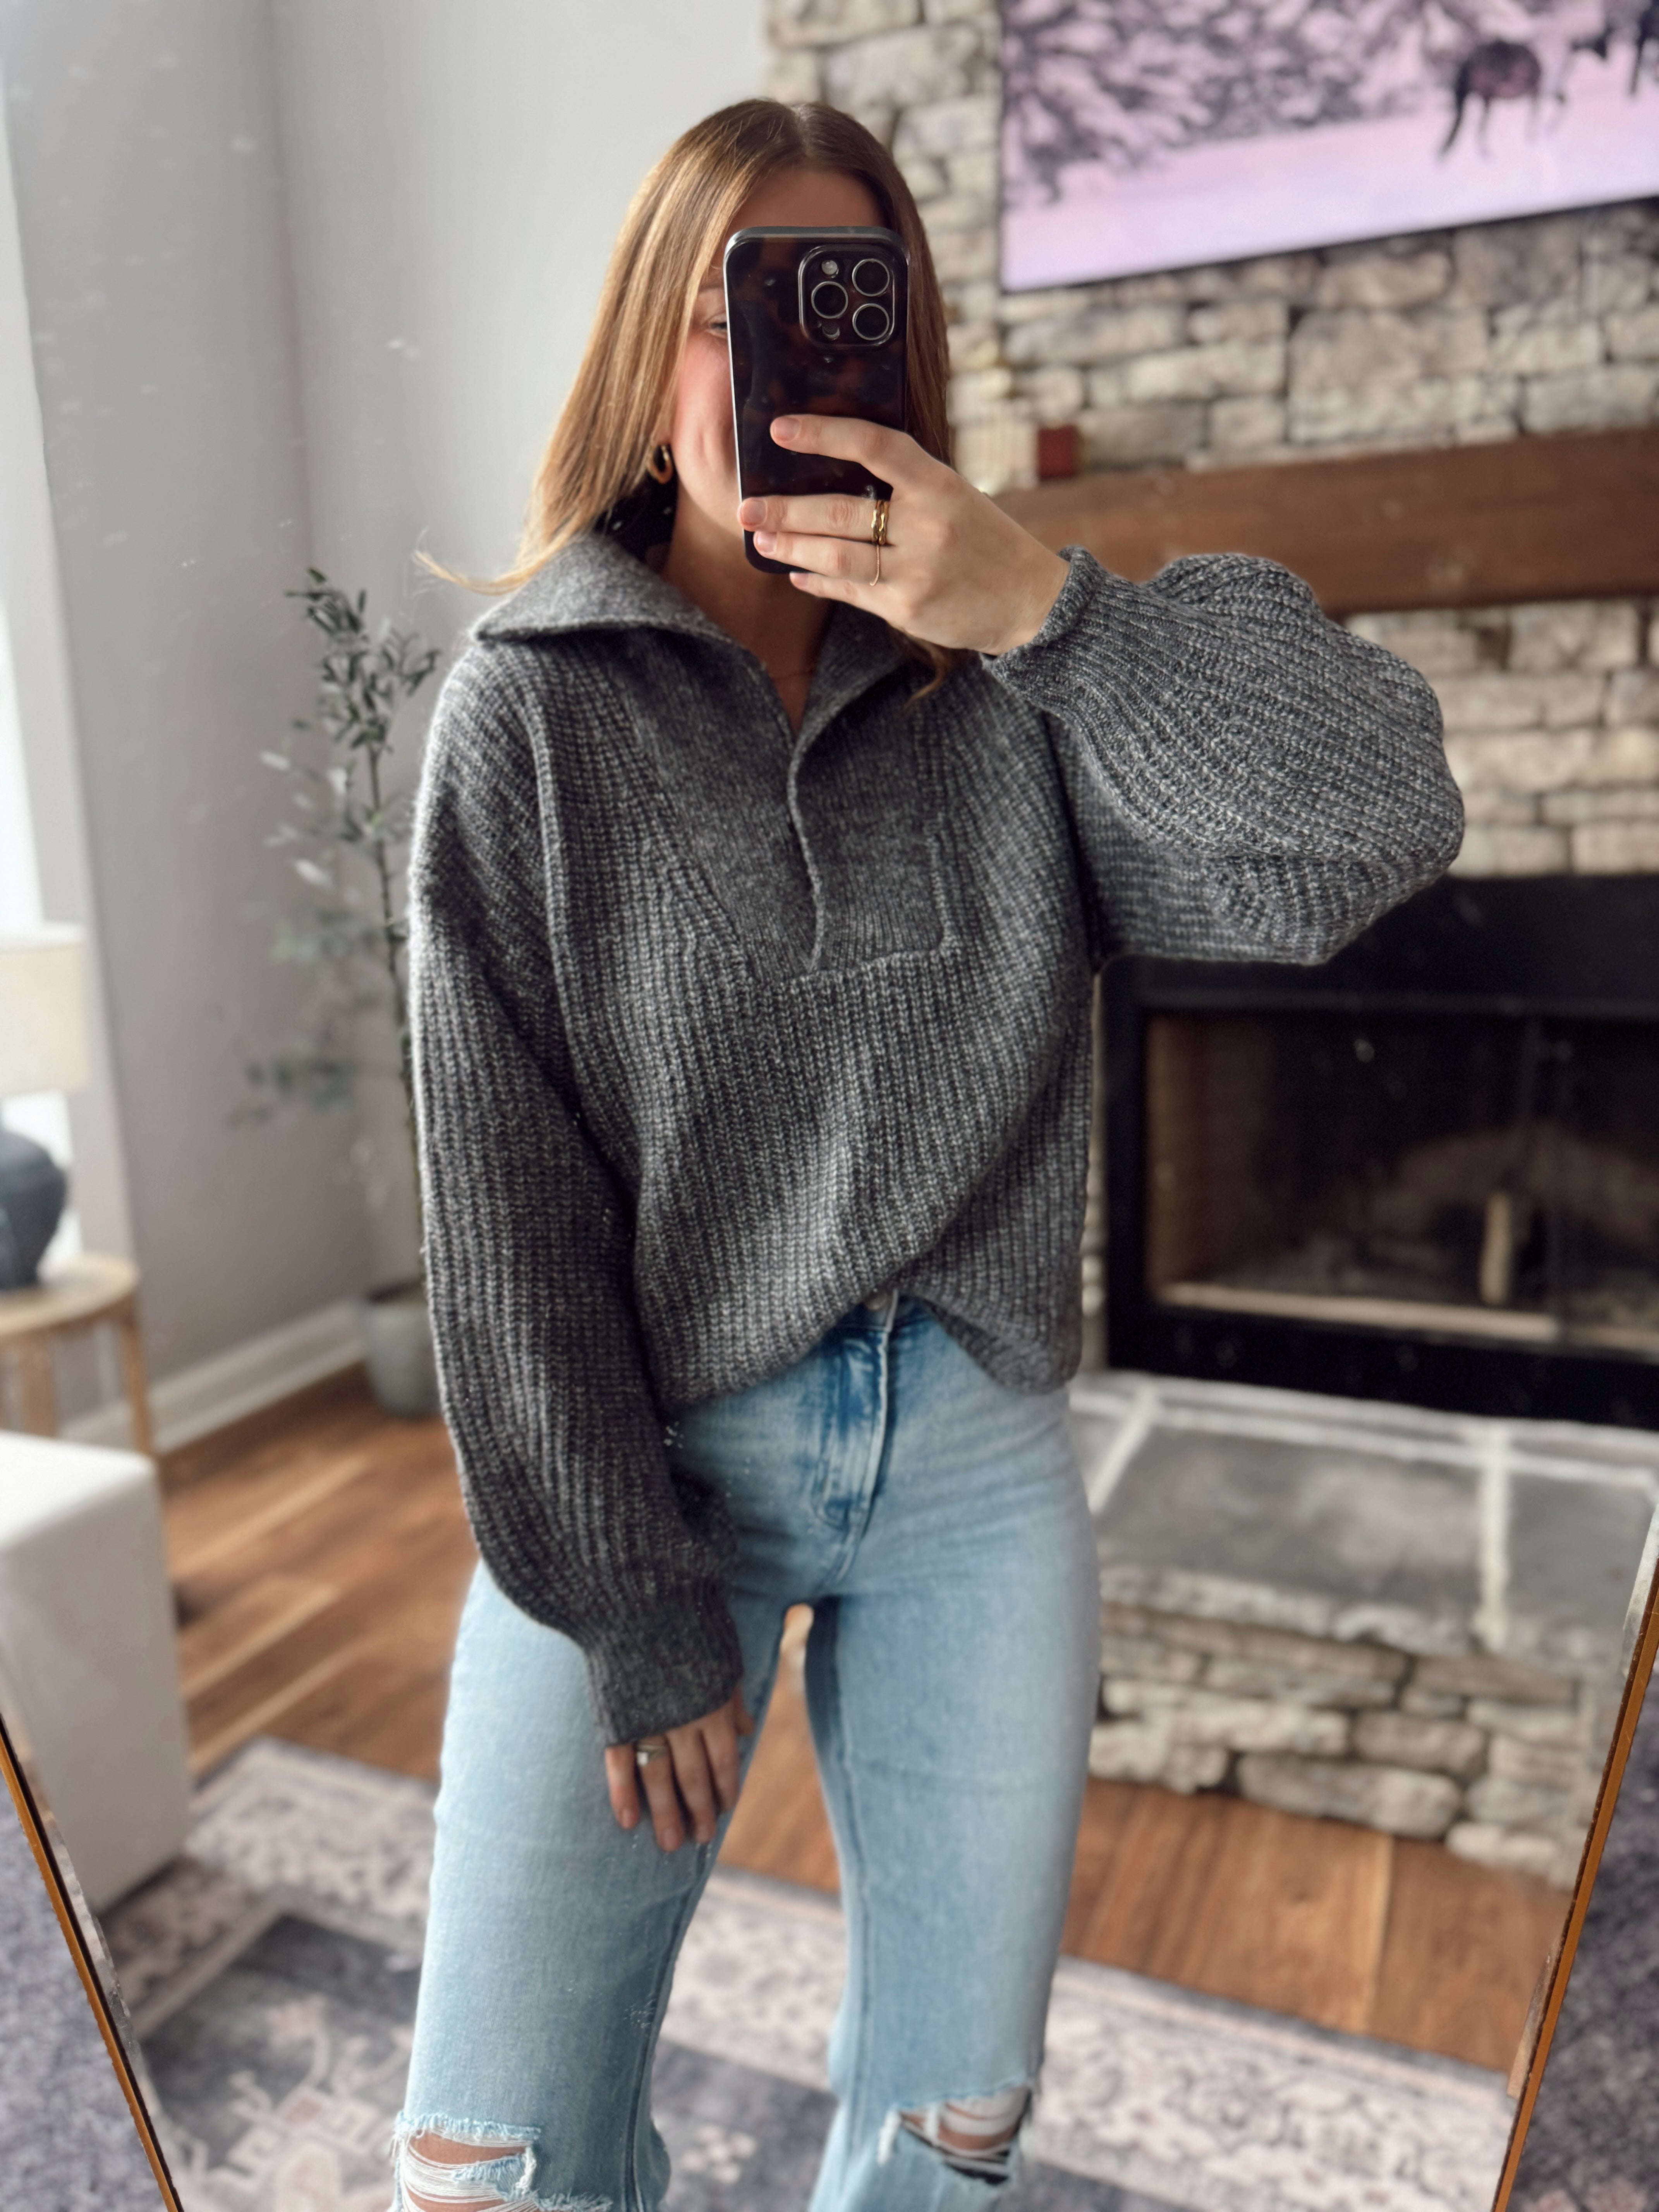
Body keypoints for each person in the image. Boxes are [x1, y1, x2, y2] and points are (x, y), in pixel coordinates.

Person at [395, 96, 1462, 2212]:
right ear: (645, 345)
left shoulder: (1028, 675)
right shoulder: (527, 713)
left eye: (835, 309)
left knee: (956, 2126)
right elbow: (503, 1211)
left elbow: (1382, 822)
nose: (771, 366)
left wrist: (1055, 614)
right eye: (728, 310)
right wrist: (629, 1598)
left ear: (906, 355)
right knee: (482, 2159)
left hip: (968, 1455)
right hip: (648, 1454)